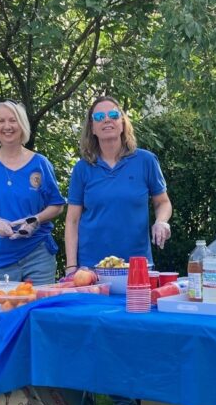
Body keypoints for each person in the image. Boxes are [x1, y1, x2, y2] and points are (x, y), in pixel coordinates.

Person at [64, 96, 172, 273]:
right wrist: (71, 266)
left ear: (122, 123)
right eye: (99, 117)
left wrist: (161, 222)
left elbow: (163, 202)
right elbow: (72, 220)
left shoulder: (146, 161)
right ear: (92, 128)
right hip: (91, 267)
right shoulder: (82, 168)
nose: (107, 119)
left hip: (137, 264)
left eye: (113, 115)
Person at [0, 101, 65, 284]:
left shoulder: (40, 163)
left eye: (13, 120)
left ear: (22, 124)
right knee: (2, 302)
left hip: (38, 254)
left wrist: (35, 220)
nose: (7, 126)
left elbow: (57, 205)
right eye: (1, 121)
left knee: (40, 302)